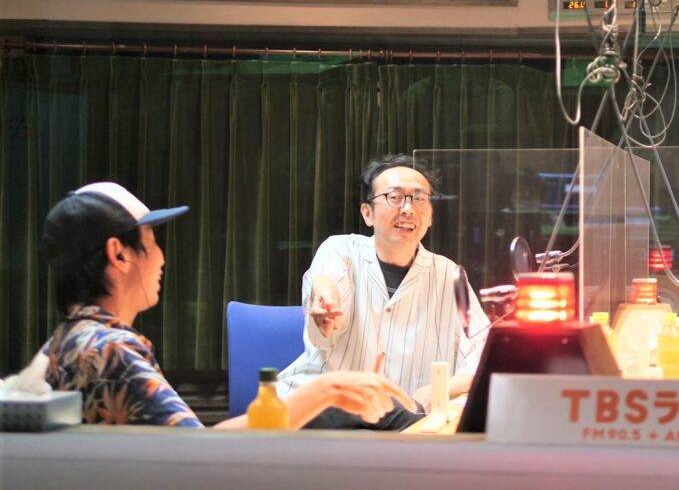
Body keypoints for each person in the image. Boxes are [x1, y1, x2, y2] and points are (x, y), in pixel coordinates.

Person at [35, 182, 411, 429]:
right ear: (119, 254)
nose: (161, 257)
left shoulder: (64, 342)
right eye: (150, 240)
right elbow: (201, 453)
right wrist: (326, 390)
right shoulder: (110, 350)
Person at [276, 155, 489, 427]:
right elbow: (326, 281)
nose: (408, 209)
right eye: (394, 197)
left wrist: (433, 392)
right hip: (318, 411)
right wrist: (325, 299)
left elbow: (484, 355)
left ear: (430, 216)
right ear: (367, 213)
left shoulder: (449, 275)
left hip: (404, 419)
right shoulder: (341, 249)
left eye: (419, 199)